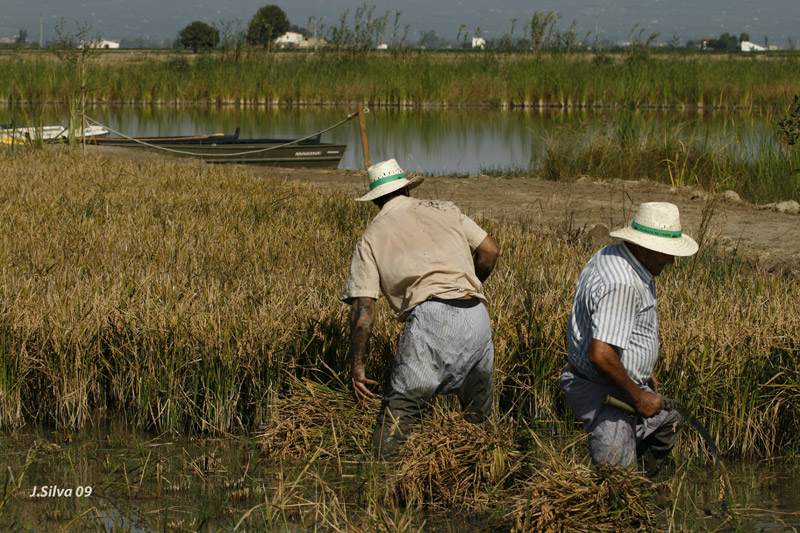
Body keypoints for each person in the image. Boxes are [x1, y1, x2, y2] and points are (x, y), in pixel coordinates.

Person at [341, 158, 500, 459]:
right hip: (477, 313)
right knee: (479, 421)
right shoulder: (446, 209)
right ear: (406, 189)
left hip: (431, 318)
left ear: (375, 199)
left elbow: (363, 309)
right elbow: (489, 250)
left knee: (400, 413)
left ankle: (377, 479)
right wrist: (467, 286)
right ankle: (484, 483)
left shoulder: (371, 237)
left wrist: (357, 366)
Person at [560, 202, 698, 477]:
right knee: (619, 490)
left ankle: (643, 483)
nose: (671, 261)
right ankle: (629, 496)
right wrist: (638, 398)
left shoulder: (614, 255)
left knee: (669, 420)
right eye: (667, 253)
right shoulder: (622, 283)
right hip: (604, 390)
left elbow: (622, 328)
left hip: (618, 382)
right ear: (644, 246)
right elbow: (601, 355)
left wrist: (643, 371)